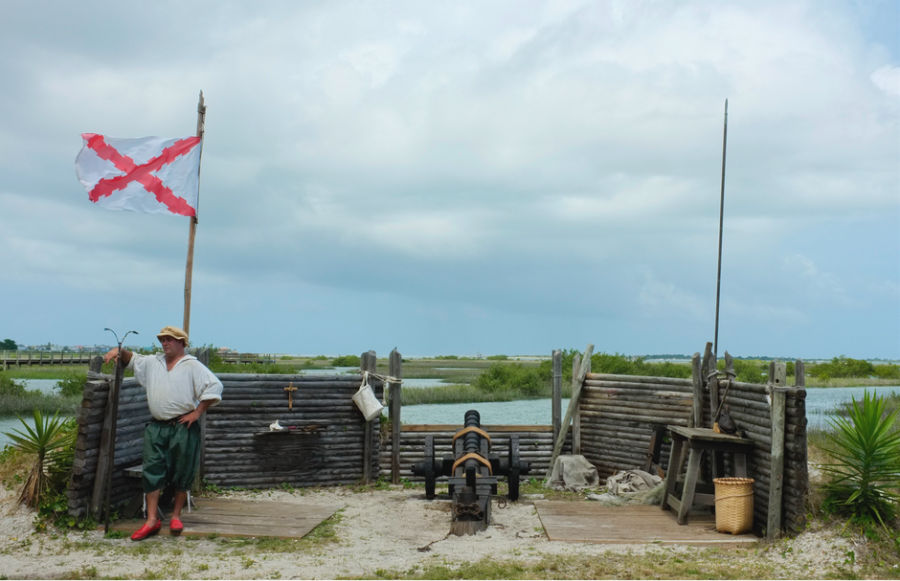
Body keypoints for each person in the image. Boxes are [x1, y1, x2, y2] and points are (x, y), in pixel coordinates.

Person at [104, 325, 223, 541]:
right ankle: (151, 520)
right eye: (162, 340)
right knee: (152, 469)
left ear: (181, 343)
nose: (164, 343)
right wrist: (118, 351)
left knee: (182, 469)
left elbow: (214, 386)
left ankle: (176, 516)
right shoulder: (153, 363)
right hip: (157, 426)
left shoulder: (192, 366)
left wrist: (197, 413)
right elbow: (133, 359)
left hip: (182, 426)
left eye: (169, 339)